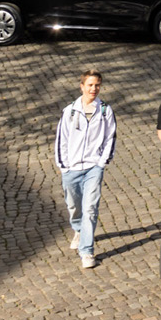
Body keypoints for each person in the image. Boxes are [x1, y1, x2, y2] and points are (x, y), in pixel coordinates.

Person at [53, 69, 117, 270]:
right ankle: (78, 229)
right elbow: (61, 140)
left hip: (93, 168)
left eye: (97, 85)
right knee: (74, 206)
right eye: (90, 85)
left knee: (90, 208)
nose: (94, 89)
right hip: (71, 168)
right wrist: (64, 166)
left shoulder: (106, 111)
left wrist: (101, 163)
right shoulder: (69, 111)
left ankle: (87, 251)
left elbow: (110, 138)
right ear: (82, 87)